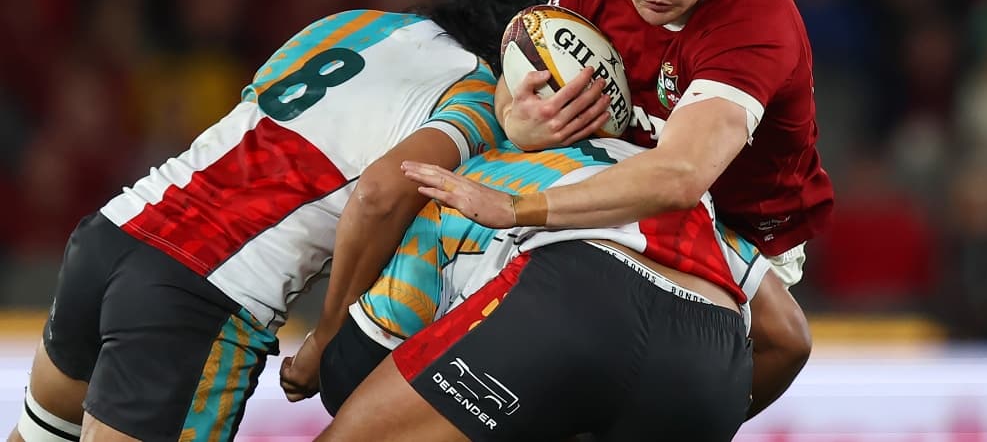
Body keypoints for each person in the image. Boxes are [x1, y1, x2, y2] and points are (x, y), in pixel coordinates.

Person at [7, 0, 560, 442]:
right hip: (200, 293)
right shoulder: (479, 95)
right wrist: (329, 333)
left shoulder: (354, 25)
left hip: (114, 234)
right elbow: (381, 193)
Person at [416, 0, 835, 287]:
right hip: (616, 187)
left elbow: (680, 176)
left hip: (744, 232)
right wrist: (515, 117)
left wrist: (516, 208)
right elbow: (518, 74)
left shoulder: (755, 19)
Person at [319, 137, 810, 441]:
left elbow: (363, 357)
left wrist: (319, 352)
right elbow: (790, 339)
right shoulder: (675, 179)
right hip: (710, 363)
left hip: (572, 304)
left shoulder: (482, 166)